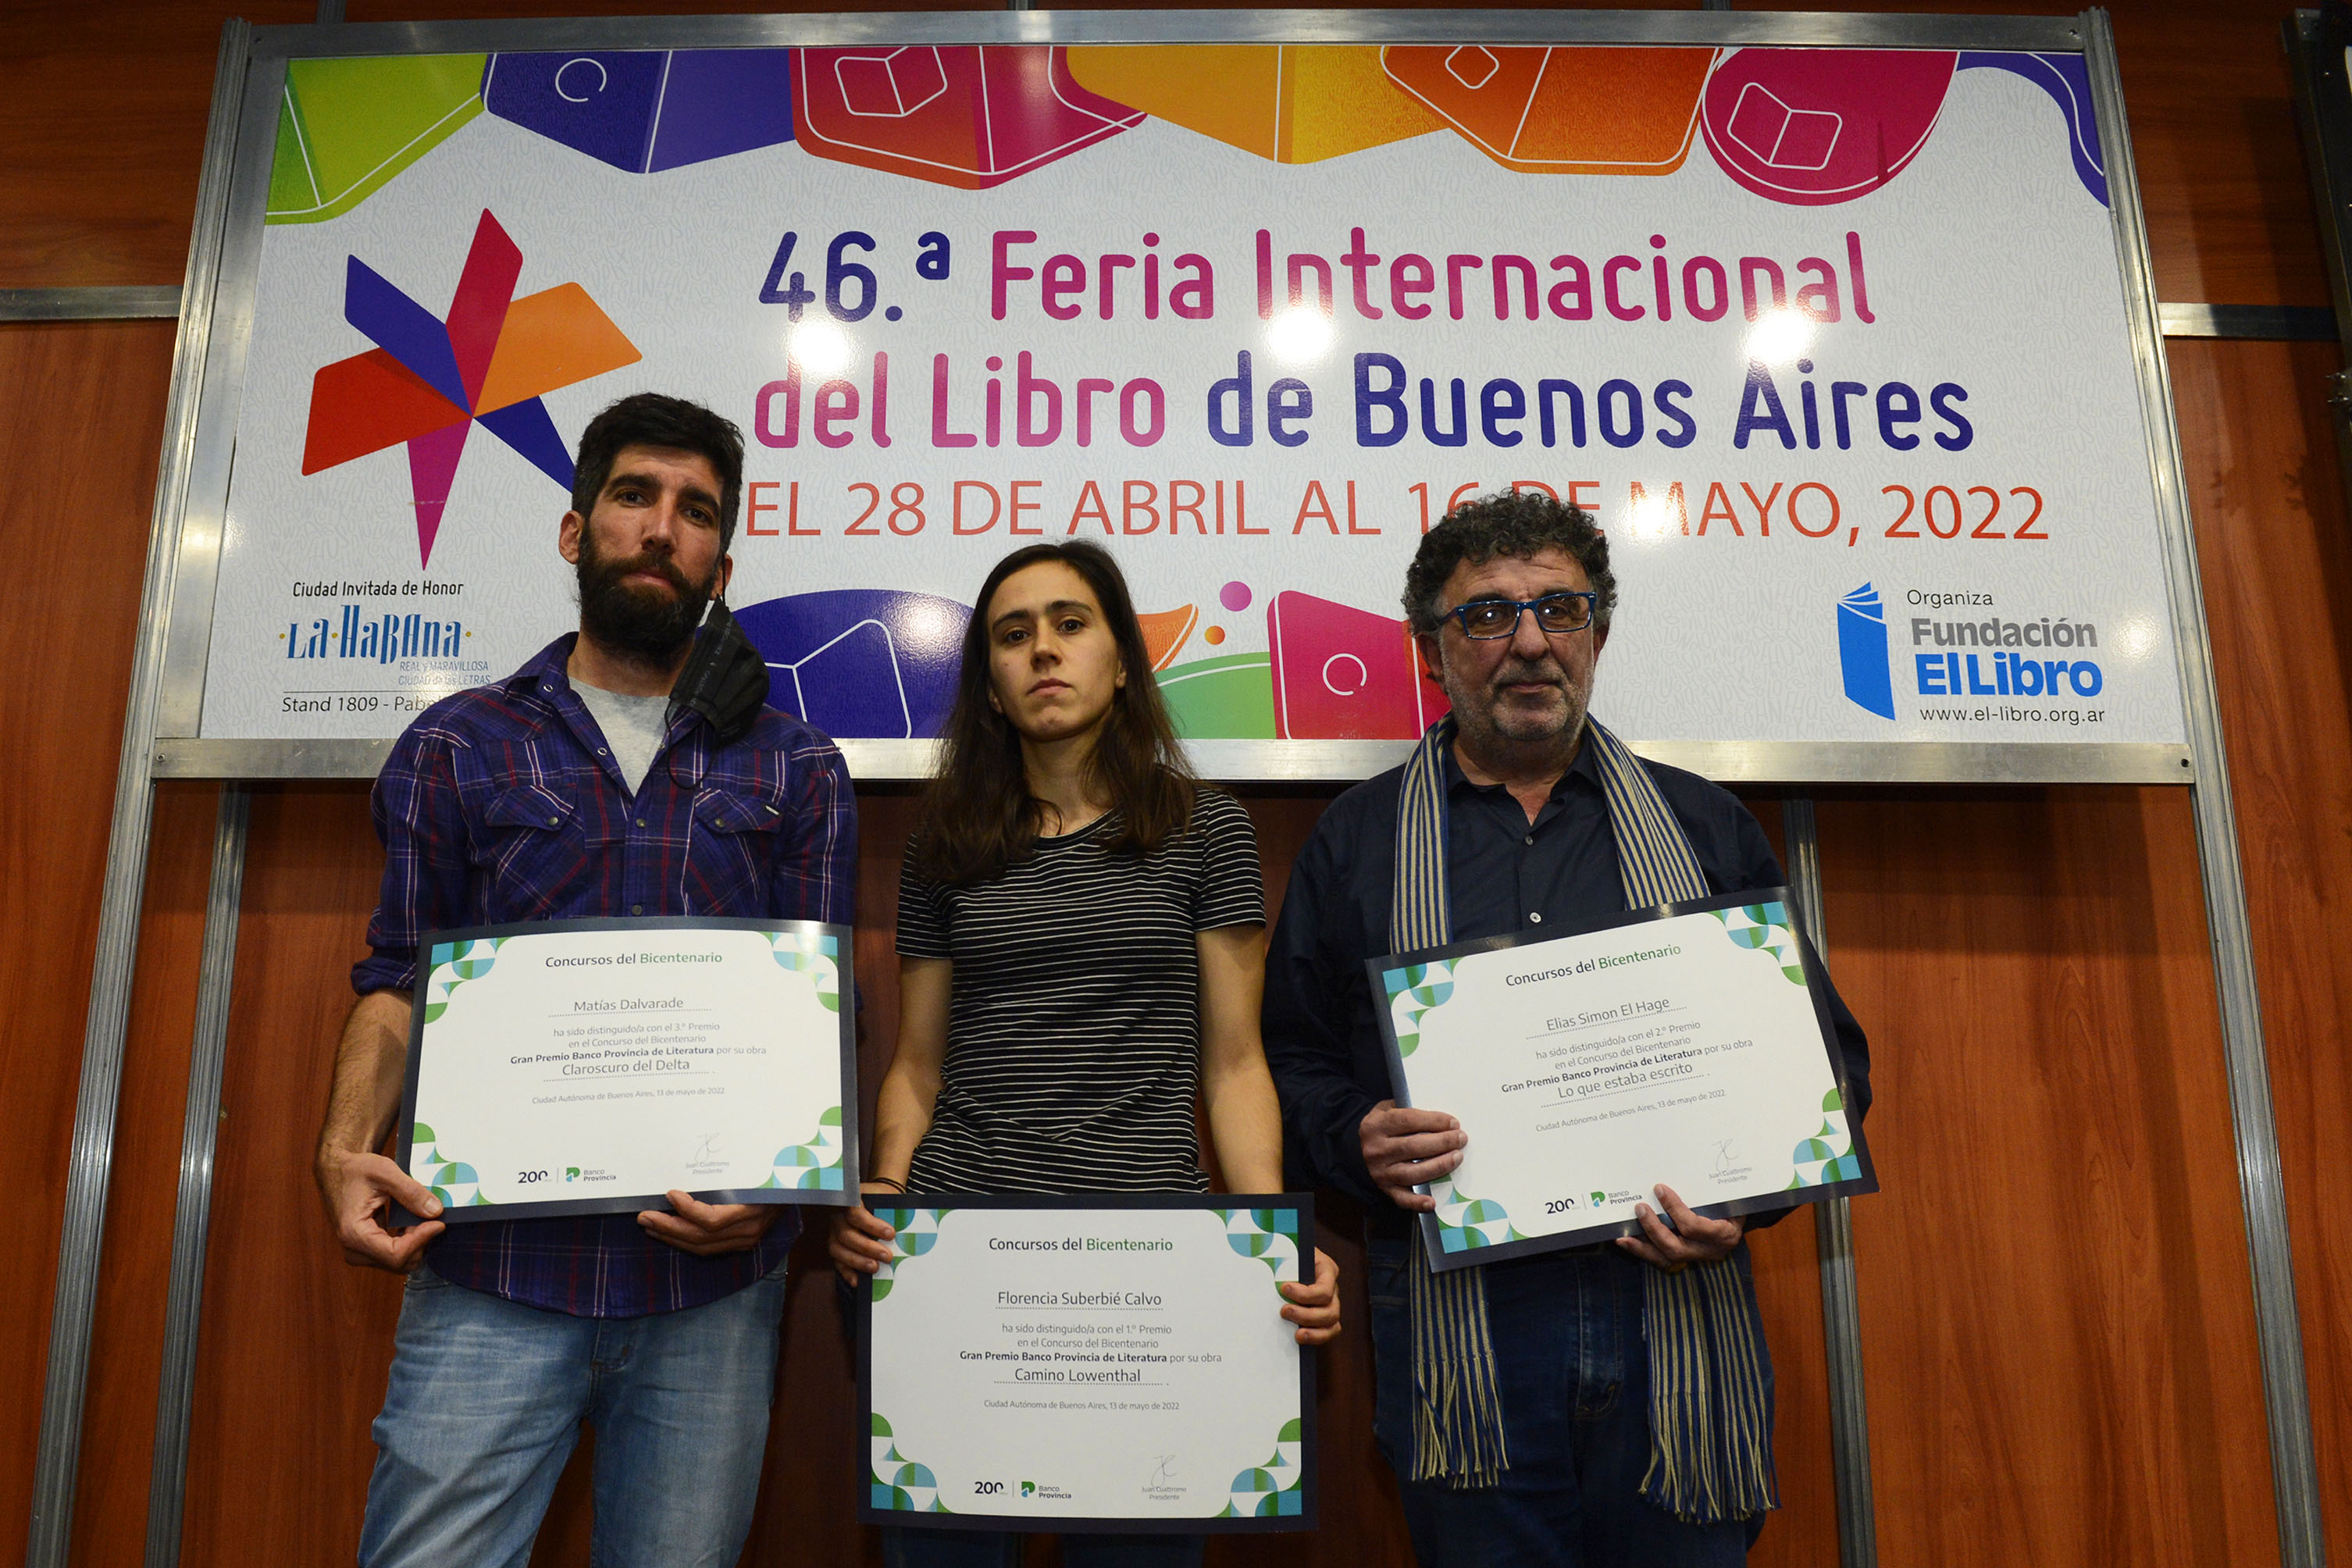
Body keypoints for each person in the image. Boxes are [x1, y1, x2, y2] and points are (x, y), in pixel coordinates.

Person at [1261, 491, 1871, 1566]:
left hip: (1670, 1323)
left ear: (1599, 632)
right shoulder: (1355, 843)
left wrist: (1747, 1196)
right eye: (1488, 616)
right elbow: (1298, 1056)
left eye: (1562, 609)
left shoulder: (1702, 826)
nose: (1532, 640)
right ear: (1429, 652)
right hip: (1469, 1345)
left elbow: (1825, 1064)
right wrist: (1356, 1134)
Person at [312, 393, 856, 1568]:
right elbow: (398, 975)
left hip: (711, 1289)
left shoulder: (800, 766)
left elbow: (820, 1015)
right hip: (493, 1276)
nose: (663, 529)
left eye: (696, 511)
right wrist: (343, 1141)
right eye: (633, 496)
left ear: (723, 558)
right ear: (576, 532)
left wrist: (783, 1189)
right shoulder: (461, 742)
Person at [829, 539, 1341, 1568]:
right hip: (956, 1257)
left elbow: (1234, 1066)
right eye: (1013, 636)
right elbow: (917, 1066)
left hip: (1153, 1264)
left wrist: (1274, 1243)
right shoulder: (944, 844)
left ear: (1121, 661)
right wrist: (883, 1189)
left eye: (1071, 624)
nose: (1043, 653)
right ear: (989, 685)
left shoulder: (1207, 830)